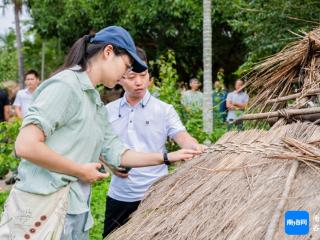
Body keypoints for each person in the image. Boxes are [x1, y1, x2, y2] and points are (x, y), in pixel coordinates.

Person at [0, 26, 200, 240]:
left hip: (75, 208)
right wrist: (79, 170)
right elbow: (26, 145)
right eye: (126, 66)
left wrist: (168, 157)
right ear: (108, 52)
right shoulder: (66, 85)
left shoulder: (94, 101)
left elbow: (119, 153)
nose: (126, 74)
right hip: (44, 209)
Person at [102, 47, 207, 237]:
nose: (139, 82)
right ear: (119, 78)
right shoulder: (108, 111)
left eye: (143, 75)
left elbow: (182, 136)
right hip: (120, 195)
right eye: (132, 77)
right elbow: (98, 146)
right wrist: (108, 164)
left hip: (157, 195)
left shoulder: (164, 110)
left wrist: (194, 146)